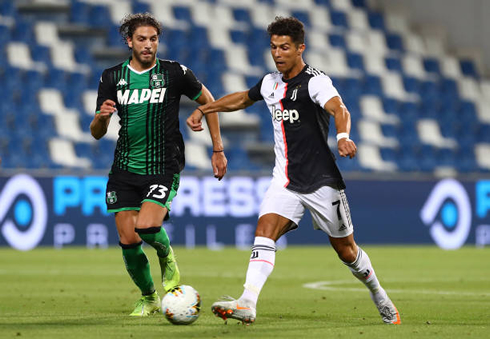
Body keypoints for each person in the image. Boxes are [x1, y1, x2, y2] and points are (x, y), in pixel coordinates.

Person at [187, 16, 400, 325]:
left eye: (284, 47)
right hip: (285, 180)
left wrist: (343, 137)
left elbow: (339, 108)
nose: (277, 54)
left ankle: (378, 292)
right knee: (264, 232)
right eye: (273, 47)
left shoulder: (316, 81)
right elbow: (243, 100)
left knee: (346, 250)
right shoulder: (270, 82)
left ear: (301, 48)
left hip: (321, 181)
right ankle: (247, 302)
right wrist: (206, 108)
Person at [90, 13, 227, 316]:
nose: (148, 45)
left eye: (153, 39)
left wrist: (218, 149)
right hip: (124, 167)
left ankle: (166, 254)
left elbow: (210, 101)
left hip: (163, 164)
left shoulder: (174, 73)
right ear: (129, 41)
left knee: (148, 226)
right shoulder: (111, 77)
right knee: (128, 239)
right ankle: (148, 297)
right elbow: (97, 132)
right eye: (142, 39)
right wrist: (101, 118)